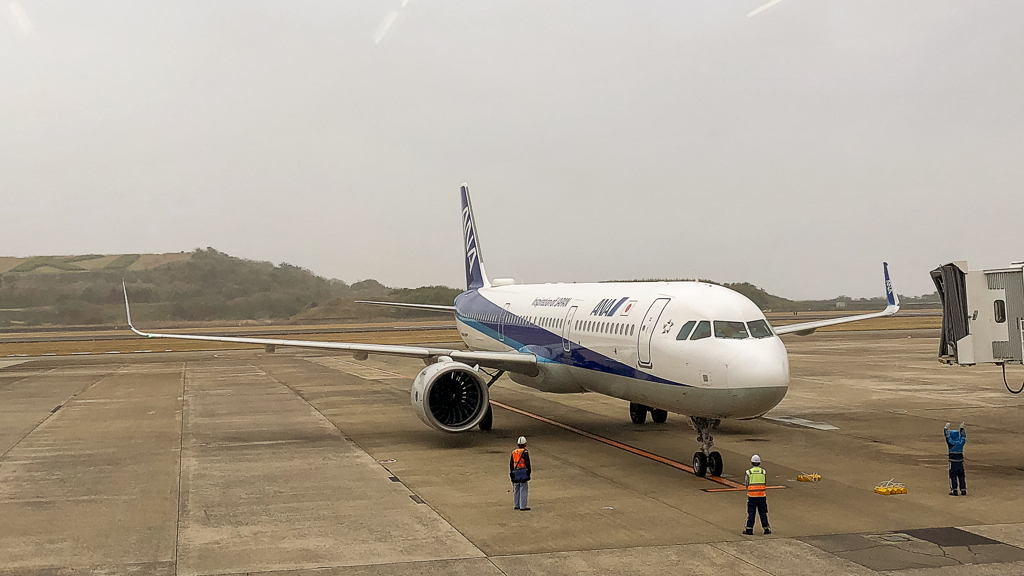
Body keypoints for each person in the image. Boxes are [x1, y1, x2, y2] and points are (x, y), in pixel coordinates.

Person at [743, 454, 770, 535]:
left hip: (752, 497)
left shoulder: (749, 472)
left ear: (751, 462)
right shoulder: (763, 472)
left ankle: (749, 529)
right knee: (763, 513)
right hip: (762, 496)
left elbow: (746, 483)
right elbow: (764, 482)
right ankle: (766, 528)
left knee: (751, 513)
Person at [510, 436, 532, 511]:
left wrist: (512, 474)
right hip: (523, 472)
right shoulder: (525, 452)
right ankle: (523, 506)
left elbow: (511, 464)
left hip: (515, 472)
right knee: (523, 489)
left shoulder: (514, 452)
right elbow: (527, 463)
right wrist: (528, 472)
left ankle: (516, 504)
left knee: (516, 488)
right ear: (525, 444)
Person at [945, 422, 967, 496]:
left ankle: (954, 490)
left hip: (953, 462)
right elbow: (963, 436)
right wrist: (962, 429)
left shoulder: (951, 442)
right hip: (960, 462)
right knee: (961, 476)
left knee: (953, 476)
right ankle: (963, 489)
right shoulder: (961, 442)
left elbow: (947, 436)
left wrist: (945, 428)